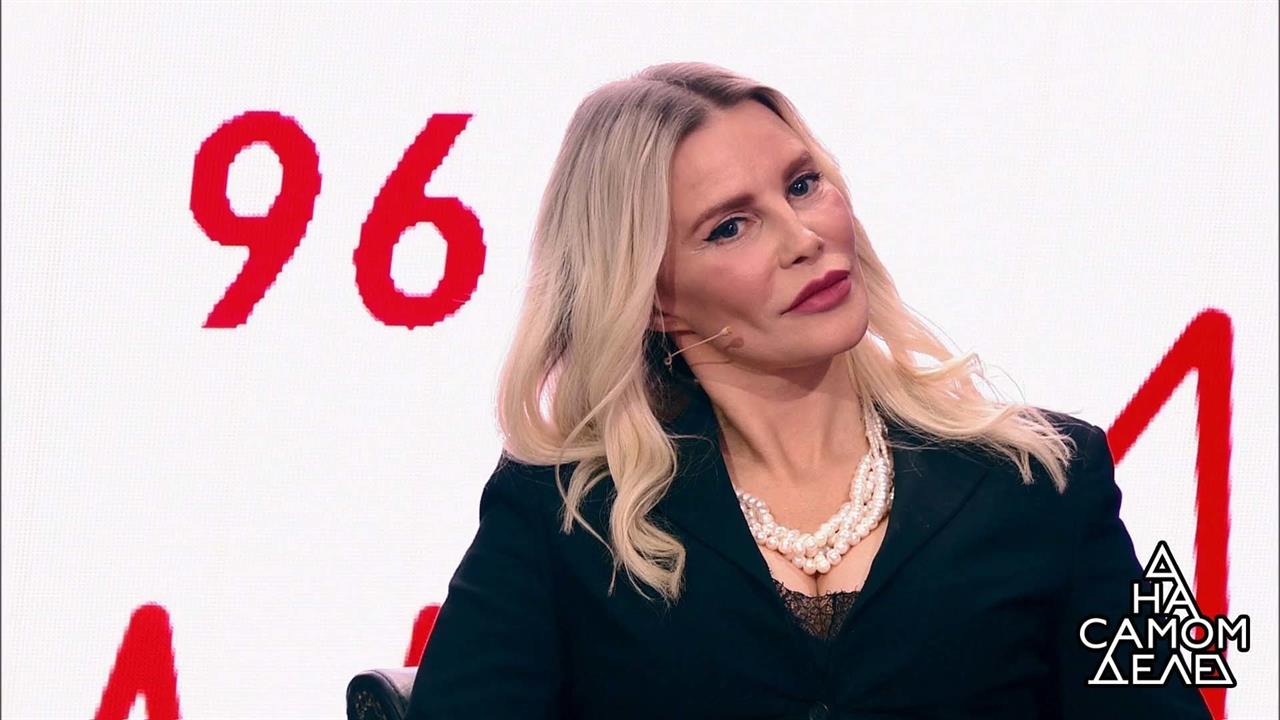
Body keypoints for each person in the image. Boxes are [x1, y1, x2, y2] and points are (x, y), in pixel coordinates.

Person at [405, 62, 1213, 719]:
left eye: (802, 185)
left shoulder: (1042, 478)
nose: (804, 238)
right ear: (652, 297)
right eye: (730, 226)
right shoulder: (566, 513)